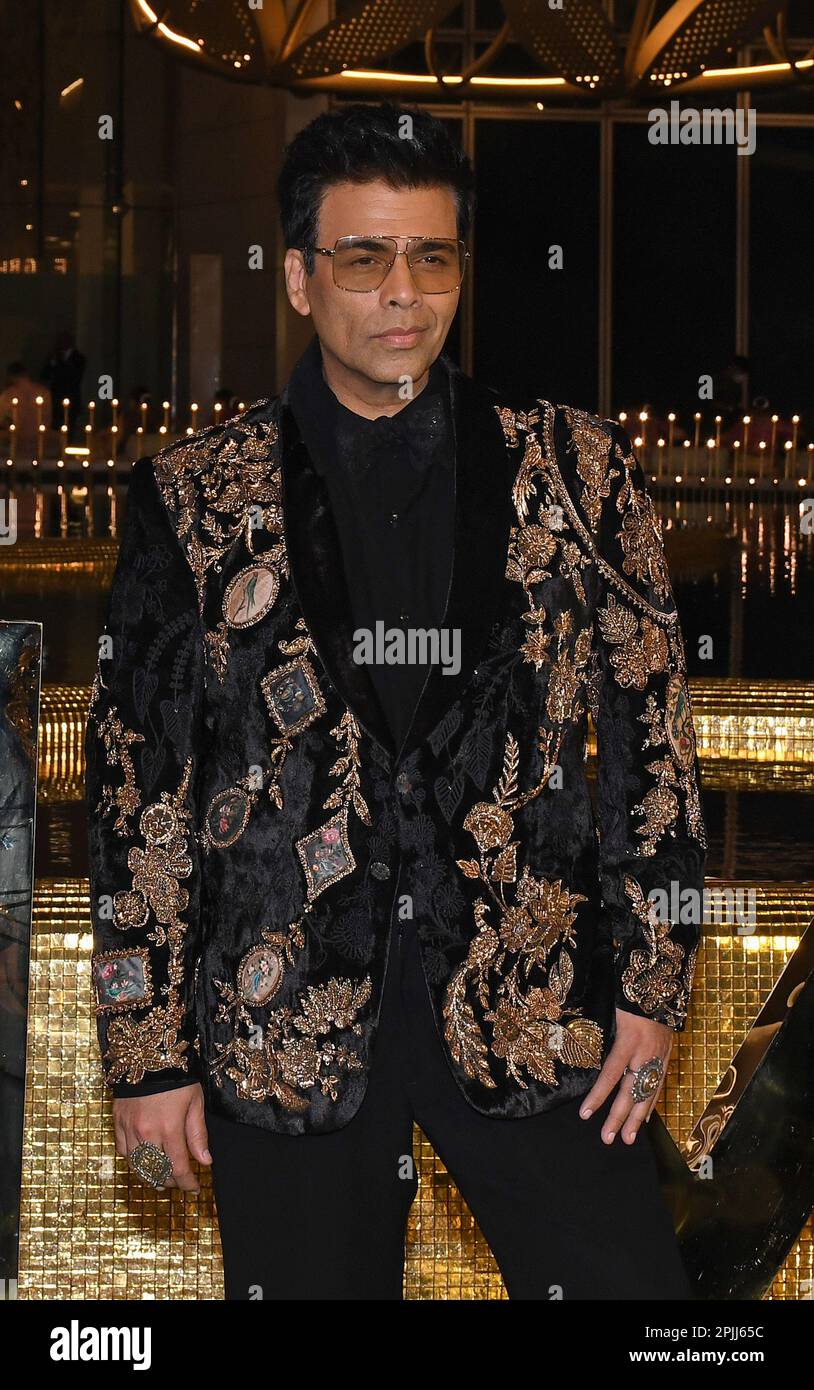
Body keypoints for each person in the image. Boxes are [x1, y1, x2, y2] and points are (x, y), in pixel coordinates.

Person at [85, 102, 707, 1301]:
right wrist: (144, 1054)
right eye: (365, 259)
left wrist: (652, 982)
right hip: (286, 1023)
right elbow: (135, 801)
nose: (403, 293)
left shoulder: (578, 474)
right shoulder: (192, 501)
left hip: (538, 1012)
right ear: (305, 280)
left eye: (430, 257)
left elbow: (654, 744)